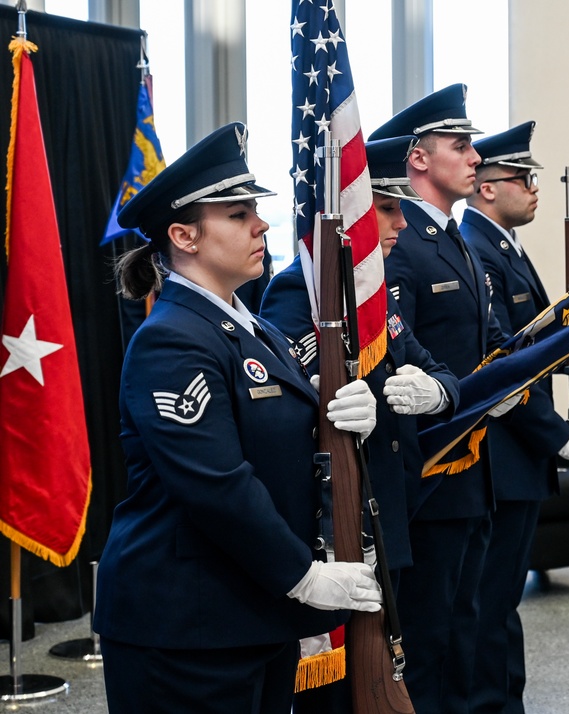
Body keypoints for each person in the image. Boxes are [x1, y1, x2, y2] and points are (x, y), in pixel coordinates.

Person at [92, 122, 382, 714]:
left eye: (256, 210)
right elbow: (215, 483)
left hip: (248, 610)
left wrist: (344, 413)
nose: (262, 225)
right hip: (186, 623)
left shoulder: (252, 327)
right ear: (184, 236)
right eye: (238, 213)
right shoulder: (172, 340)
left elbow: (281, 439)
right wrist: (303, 574)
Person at [259, 135, 460, 711]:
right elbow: (289, 406)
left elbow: (439, 371)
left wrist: (436, 393)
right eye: (388, 208)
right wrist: (335, 410)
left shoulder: (380, 294)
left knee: (393, 660)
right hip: (337, 516)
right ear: (354, 219)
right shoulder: (301, 290)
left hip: (389, 507)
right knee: (336, 689)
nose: (399, 221)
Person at [461, 121, 569, 712]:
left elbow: (525, 344)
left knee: (500, 607)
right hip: (504, 452)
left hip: (518, 454)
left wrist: (567, 345)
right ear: (488, 188)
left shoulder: (504, 248)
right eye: (521, 178)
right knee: (489, 606)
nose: (532, 187)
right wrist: (560, 437)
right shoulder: (479, 249)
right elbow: (501, 362)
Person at [368, 83, 504, 714]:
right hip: (427, 470)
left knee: (464, 626)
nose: (475, 157)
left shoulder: (457, 238)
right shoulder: (402, 244)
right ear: (418, 158)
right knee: (427, 636)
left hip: (469, 462)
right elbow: (390, 359)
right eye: (461, 145)